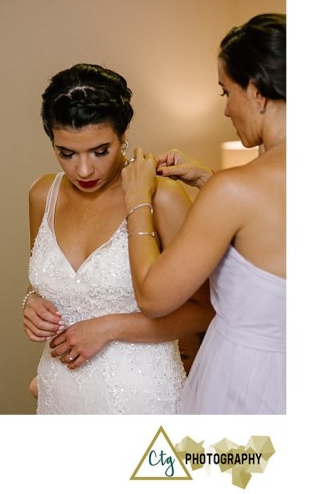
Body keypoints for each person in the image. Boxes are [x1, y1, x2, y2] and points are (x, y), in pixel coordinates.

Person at [22, 63, 213, 414]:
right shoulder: (42, 195)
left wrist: (110, 328)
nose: (83, 169)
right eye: (67, 153)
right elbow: (42, 286)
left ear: (123, 136)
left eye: (99, 151)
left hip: (140, 397)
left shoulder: (162, 196)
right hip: (60, 393)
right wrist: (31, 304)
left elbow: (203, 312)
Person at [122, 13, 286, 414]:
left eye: (225, 92)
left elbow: (153, 296)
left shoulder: (233, 191)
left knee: (232, 475)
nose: (227, 110)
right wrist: (208, 178)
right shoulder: (238, 190)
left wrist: (138, 201)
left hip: (244, 384)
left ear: (257, 91)